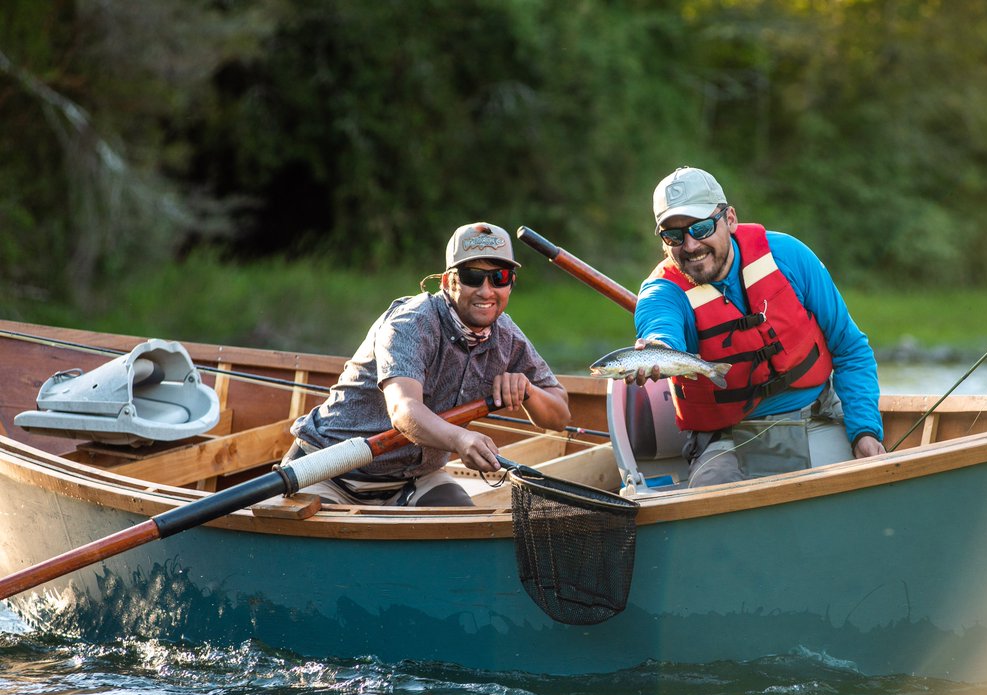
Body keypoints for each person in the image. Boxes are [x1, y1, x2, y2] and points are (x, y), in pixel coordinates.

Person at [630, 166, 885, 487]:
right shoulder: (661, 291)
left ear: (730, 219)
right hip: (728, 442)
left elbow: (851, 351)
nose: (691, 246)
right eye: (674, 235)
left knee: (866, 481)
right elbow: (659, 328)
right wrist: (659, 349)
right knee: (711, 498)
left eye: (701, 227)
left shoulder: (789, 256)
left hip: (817, 417)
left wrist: (864, 430)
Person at [287, 222, 571, 507]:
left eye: (499, 277)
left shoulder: (506, 335)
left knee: (463, 532)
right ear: (448, 282)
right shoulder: (410, 322)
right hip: (328, 471)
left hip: (412, 480)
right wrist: (460, 439)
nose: (487, 291)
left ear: (510, 284)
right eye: (472, 276)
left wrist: (529, 392)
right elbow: (403, 411)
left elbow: (559, 416)